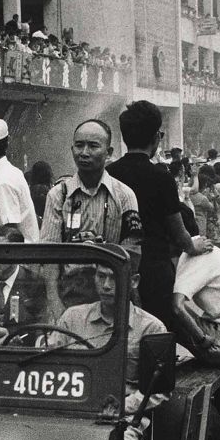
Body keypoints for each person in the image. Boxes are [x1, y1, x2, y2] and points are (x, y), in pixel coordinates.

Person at [107, 100, 213, 330]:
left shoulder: (109, 174)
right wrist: (194, 246)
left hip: (115, 270)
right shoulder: (161, 177)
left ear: (124, 136)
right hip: (154, 272)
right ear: (156, 138)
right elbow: (179, 233)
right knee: (158, 334)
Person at [40, 120, 142, 314]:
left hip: (112, 291)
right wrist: (54, 302)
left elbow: (133, 252)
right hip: (69, 295)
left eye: (93, 146)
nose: (84, 153)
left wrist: (103, 251)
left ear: (109, 152)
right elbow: (48, 254)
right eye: (79, 145)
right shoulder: (58, 195)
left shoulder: (124, 195)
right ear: (72, 149)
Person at [54, 264, 165, 409]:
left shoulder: (151, 328)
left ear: (134, 281)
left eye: (114, 277)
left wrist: (122, 407)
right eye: (101, 276)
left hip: (121, 415)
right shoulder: (72, 318)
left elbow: (157, 389)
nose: (106, 285)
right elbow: (47, 361)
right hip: (71, 408)